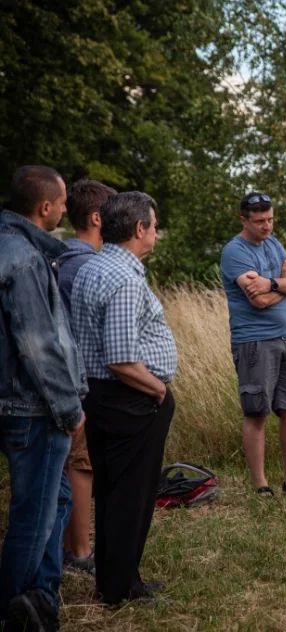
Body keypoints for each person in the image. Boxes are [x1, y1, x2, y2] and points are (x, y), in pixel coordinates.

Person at [70, 191, 177, 605]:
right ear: (139, 229)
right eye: (154, 225)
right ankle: (119, 587)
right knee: (130, 494)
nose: (156, 233)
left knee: (115, 491)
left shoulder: (96, 267)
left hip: (104, 397)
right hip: (129, 398)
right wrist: (159, 389)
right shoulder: (123, 278)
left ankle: (119, 579)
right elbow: (121, 360)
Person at [0, 166, 87, 631]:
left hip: (18, 402)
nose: (68, 208)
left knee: (51, 501)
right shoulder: (25, 258)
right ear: (46, 207)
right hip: (31, 407)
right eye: (63, 202)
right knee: (32, 517)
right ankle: (15, 611)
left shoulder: (14, 247)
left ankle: (41, 600)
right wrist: (68, 407)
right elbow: (37, 344)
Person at [219, 192, 286, 504]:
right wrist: (283, 284)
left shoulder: (273, 244)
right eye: (260, 221)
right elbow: (258, 300)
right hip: (254, 342)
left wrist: (273, 283)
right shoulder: (235, 252)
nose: (267, 226)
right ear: (244, 220)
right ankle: (261, 486)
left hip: (283, 339)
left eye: (271, 219)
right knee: (257, 412)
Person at [58, 179, 116, 576]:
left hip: (55, 378)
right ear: (98, 218)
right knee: (82, 462)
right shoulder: (86, 266)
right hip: (76, 379)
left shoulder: (59, 256)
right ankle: (79, 551)